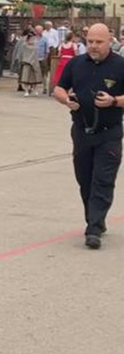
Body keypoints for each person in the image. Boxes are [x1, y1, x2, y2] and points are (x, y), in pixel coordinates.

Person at [53, 22, 124, 249]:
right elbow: (59, 88)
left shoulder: (120, 65)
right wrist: (66, 100)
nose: (93, 46)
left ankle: (93, 228)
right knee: (85, 179)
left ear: (109, 40)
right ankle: (95, 218)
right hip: (82, 131)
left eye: (98, 42)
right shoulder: (76, 64)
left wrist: (114, 101)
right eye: (90, 41)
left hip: (109, 133)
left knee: (102, 180)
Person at [18, 29, 42, 95]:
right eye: (31, 38)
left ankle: (35, 90)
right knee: (25, 77)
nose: (33, 39)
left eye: (33, 38)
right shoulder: (24, 45)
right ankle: (26, 90)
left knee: (35, 78)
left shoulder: (36, 45)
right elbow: (21, 53)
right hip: (26, 62)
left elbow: (37, 53)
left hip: (35, 63)